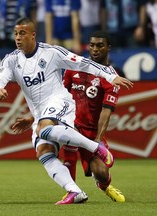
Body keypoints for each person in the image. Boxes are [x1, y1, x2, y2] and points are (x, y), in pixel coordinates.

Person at [0, 17, 133, 204]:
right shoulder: (11, 60)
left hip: (61, 103)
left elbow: (82, 62)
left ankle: (96, 148)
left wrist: (108, 75)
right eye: (16, 33)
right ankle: (75, 191)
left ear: (33, 35)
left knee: (44, 129)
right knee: (43, 151)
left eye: (22, 33)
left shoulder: (51, 53)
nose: (18, 37)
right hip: (41, 114)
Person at [61, 31, 125, 202]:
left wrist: (97, 139)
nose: (94, 49)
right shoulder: (74, 67)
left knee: (101, 172)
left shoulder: (112, 78)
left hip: (91, 133)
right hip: (72, 124)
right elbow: (60, 94)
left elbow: (106, 111)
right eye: (92, 45)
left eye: (100, 45)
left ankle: (104, 185)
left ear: (108, 48)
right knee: (69, 144)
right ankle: (72, 191)